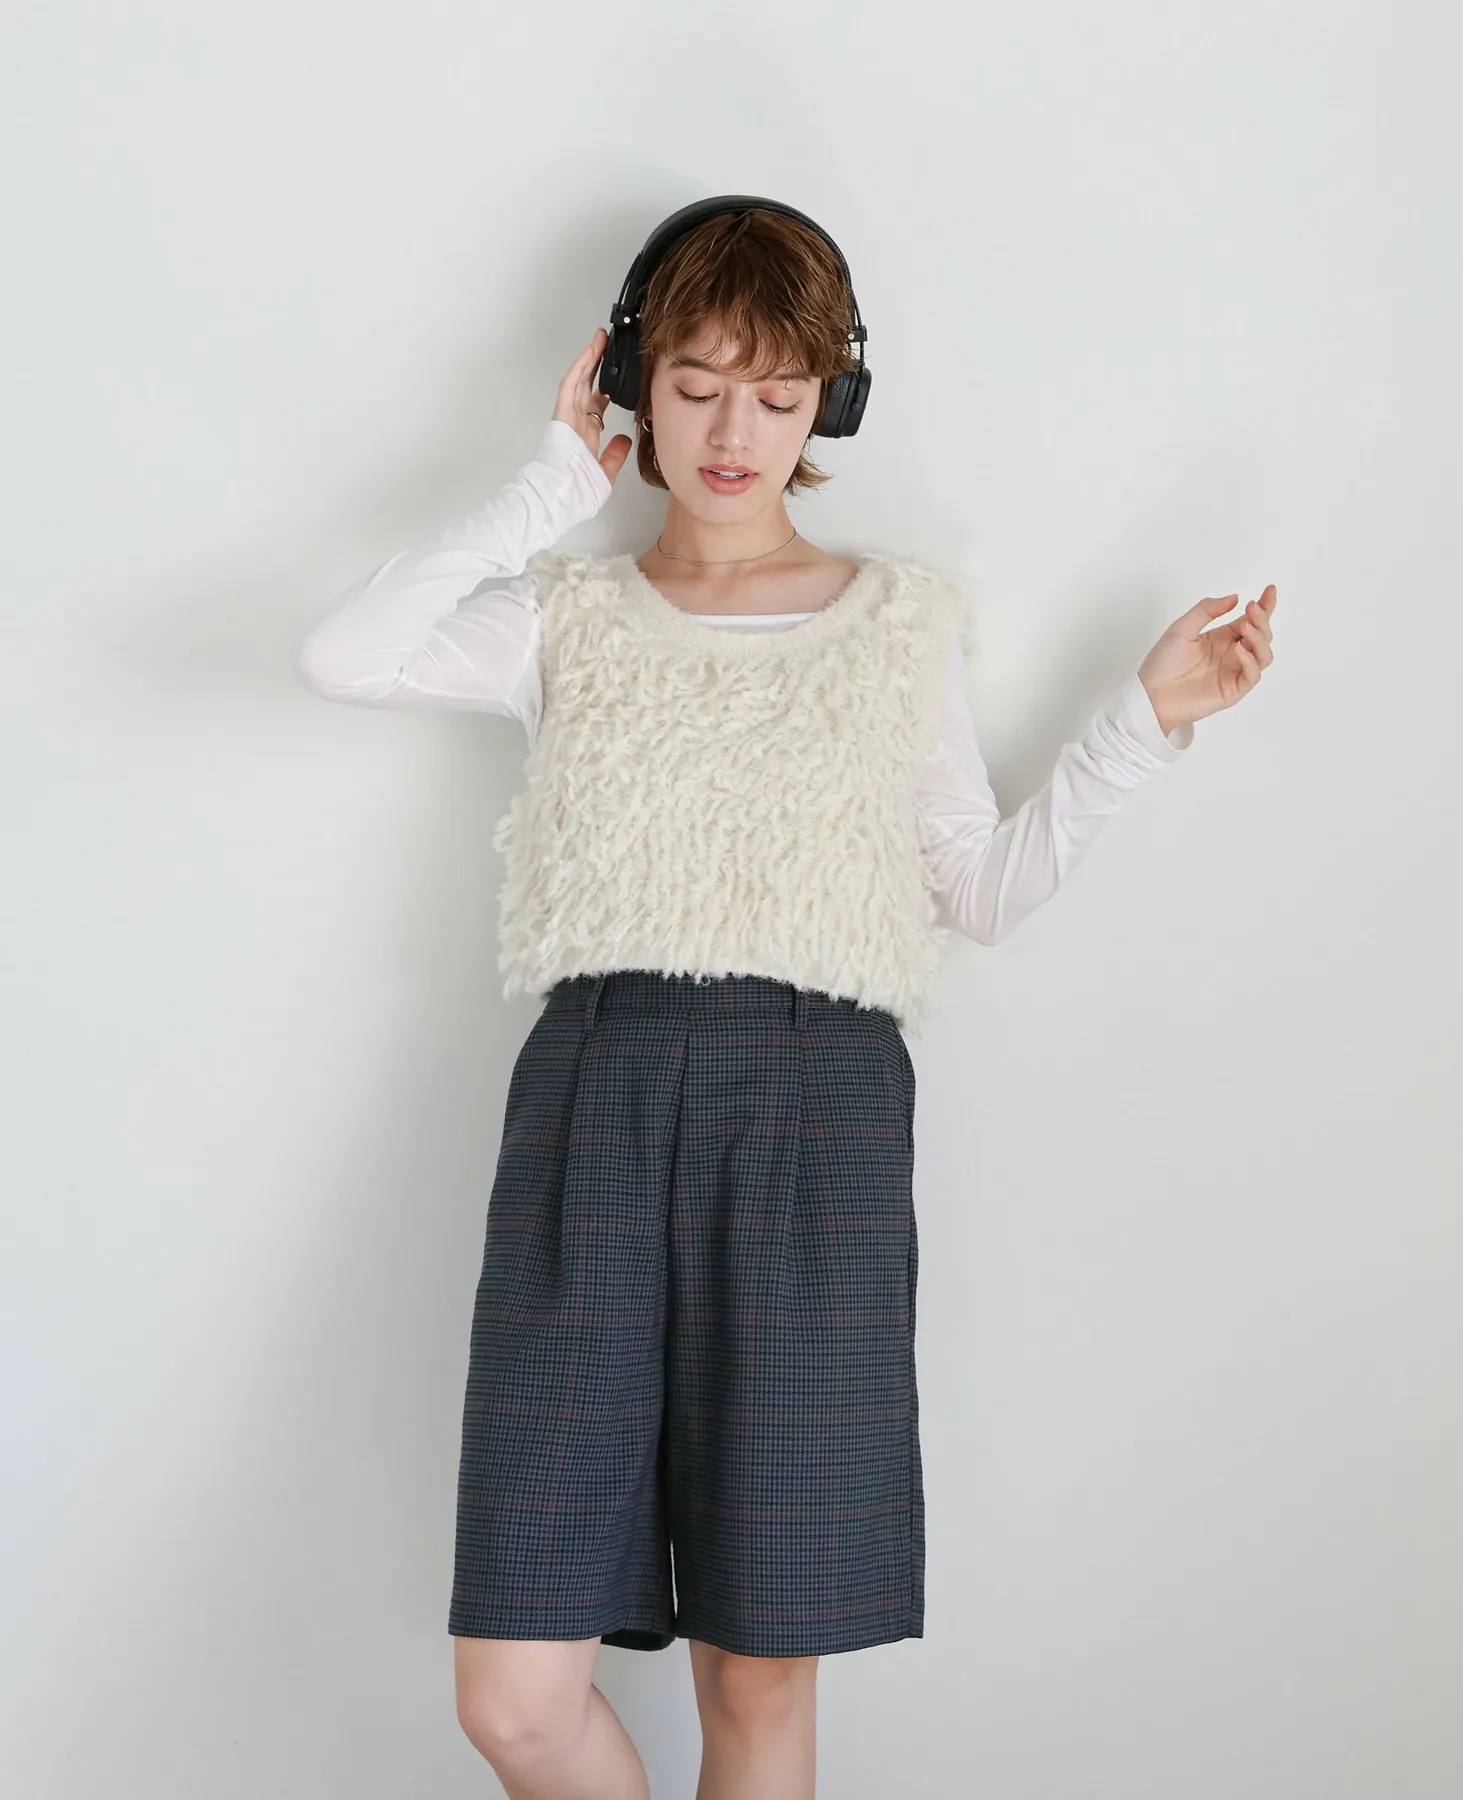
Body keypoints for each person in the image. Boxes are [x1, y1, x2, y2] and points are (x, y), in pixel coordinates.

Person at [294, 202, 1276, 1800]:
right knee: (518, 1699)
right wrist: (551, 486)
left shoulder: (898, 624)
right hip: (596, 1104)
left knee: (759, 1673)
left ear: (834, 400)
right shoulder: (564, 622)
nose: (733, 432)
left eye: (777, 392)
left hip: (819, 1120)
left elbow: (978, 891)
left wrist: (1142, 724)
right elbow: (345, 655)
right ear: (633, 378)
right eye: (693, 386)